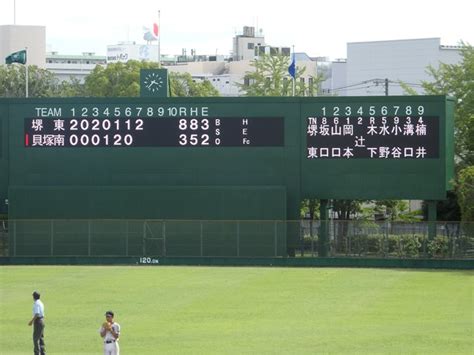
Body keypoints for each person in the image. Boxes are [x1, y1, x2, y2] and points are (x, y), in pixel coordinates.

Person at [28, 291, 45, 355]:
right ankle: (43, 353)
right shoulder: (41, 303)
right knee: (41, 338)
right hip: (42, 321)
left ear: (34, 297)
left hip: (38, 321)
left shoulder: (36, 303)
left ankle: (37, 353)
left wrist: (31, 321)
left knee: (35, 339)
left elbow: (37, 314)